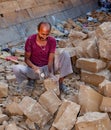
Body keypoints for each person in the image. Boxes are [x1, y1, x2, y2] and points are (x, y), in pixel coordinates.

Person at [13, 21, 73, 93]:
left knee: (65, 55)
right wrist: (33, 66)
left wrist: (50, 73)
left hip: (47, 67)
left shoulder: (52, 41)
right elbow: (26, 59)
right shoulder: (30, 40)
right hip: (35, 69)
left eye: (47, 35)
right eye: (42, 34)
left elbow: (51, 58)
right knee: (16, 68)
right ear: (38, 31)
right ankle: (30, 80)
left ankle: (60, 83)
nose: (44, 37)